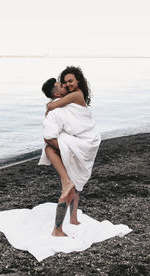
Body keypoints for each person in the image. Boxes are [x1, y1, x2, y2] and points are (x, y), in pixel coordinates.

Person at [39, 67, 101, 236]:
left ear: (78, 81)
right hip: (85, 142)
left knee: (49, 148)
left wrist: (49, 106)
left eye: (69, 81)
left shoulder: (74, 95)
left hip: (85, 142)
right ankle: (72, 218)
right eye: (63, 83)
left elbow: (53, 107)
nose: (66, 85)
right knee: (74, 181)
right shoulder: (68, 101)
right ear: (58, 91)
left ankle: (57, 229)